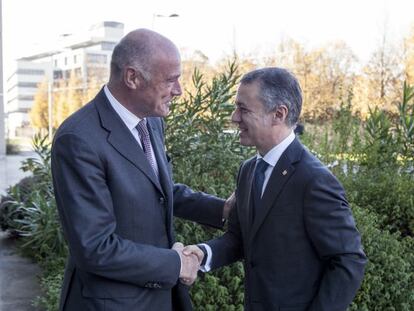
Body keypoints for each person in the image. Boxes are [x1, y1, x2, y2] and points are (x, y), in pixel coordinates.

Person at [51, 29, 233, 311]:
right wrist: (176, 264)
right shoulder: (78, 139)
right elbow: (95, 248)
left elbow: (155, 189)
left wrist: (221, 210)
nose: (179, 91)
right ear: (132, 77)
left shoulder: (151, 121)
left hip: (158, 299)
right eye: (170, 80)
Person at [184, 67, 367, 311]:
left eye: (243, 109)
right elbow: (240, 239)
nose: (234, 117)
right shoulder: (248, 170)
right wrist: (203, 254)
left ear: (278, 114)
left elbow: (348, 260)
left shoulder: (314, 180)